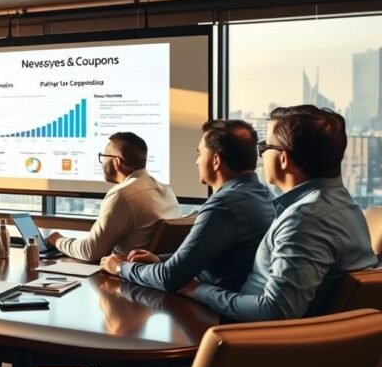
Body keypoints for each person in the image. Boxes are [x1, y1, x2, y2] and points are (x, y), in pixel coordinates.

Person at [181, 105, 377, 321]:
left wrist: (197, 290)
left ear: (284, 158)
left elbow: (275, 311)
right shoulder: (344, 206)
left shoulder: (306, 219)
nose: (261, 156)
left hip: (249, 341)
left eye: (264, 146)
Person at [100, 120, 274, 292]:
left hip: (215, 308)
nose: (197, 162)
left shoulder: (224, 205)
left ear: (215, 161)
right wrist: (159, 260)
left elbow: (170, 277)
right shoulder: (263, 194)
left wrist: (120, 268)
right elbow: (206, 255)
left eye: (200, 153)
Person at [45, 132, 180, 262]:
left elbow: (91, 251)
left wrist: (57, 240)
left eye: (104, 156)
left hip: (124, 278)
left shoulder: (122, 194)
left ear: (116, 162)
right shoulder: (167, 190)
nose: (102, 161)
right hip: (149, 276)